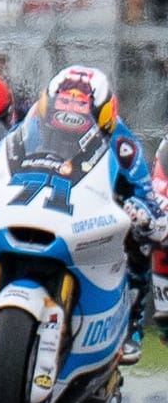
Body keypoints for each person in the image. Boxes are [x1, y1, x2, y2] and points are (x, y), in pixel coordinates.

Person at [27, 67, 168, 364]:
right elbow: (0, 163)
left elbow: (151, 204)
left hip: (95, 214)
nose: (68, 137)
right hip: (38, 203)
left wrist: (139, 213)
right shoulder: (30, 129)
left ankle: (131, 325)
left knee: (139, 240)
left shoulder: (124, 145)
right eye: (60, 129)